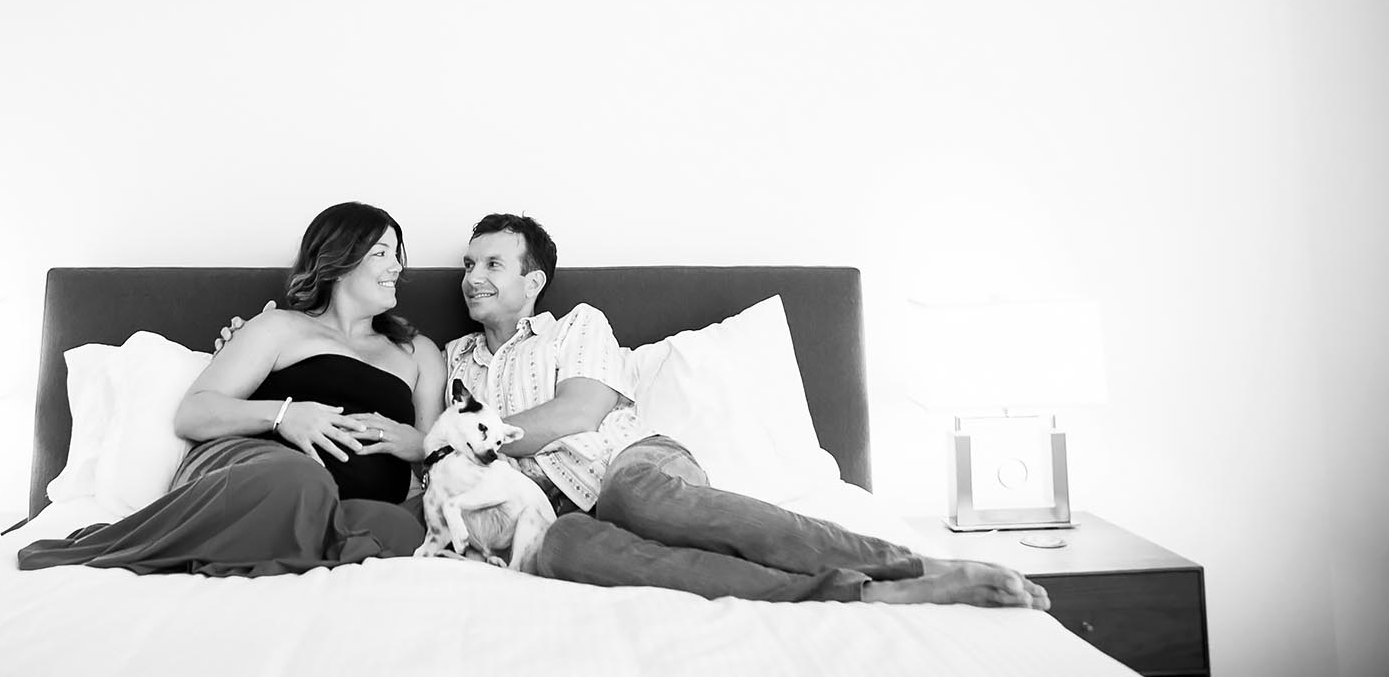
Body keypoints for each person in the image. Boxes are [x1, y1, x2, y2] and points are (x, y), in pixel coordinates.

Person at [222, 212, 1050, 607]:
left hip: (624, 464)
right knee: (621, 562)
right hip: (547, 509)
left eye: (492, 263)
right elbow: (425, 451)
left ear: (534, 278)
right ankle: (857, 595)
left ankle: (910, 563)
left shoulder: (579, 325)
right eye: (469, 264)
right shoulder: (456, 359)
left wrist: (470, 441)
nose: (472, 276)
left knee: (652, 506)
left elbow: (580, 412)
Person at [18, 201, 445, 576]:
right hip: (261, 468)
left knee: (400, 528)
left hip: (350, 505)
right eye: (381, 253)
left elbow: (438, 464)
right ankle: (278, 538)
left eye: (397, 255)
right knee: (301, 481)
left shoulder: (417, 352)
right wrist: (285, 415)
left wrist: (419, 445)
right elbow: (194, 414)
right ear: (339, 260)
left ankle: (276, 546)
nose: (397, 268)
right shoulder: (278, 327)